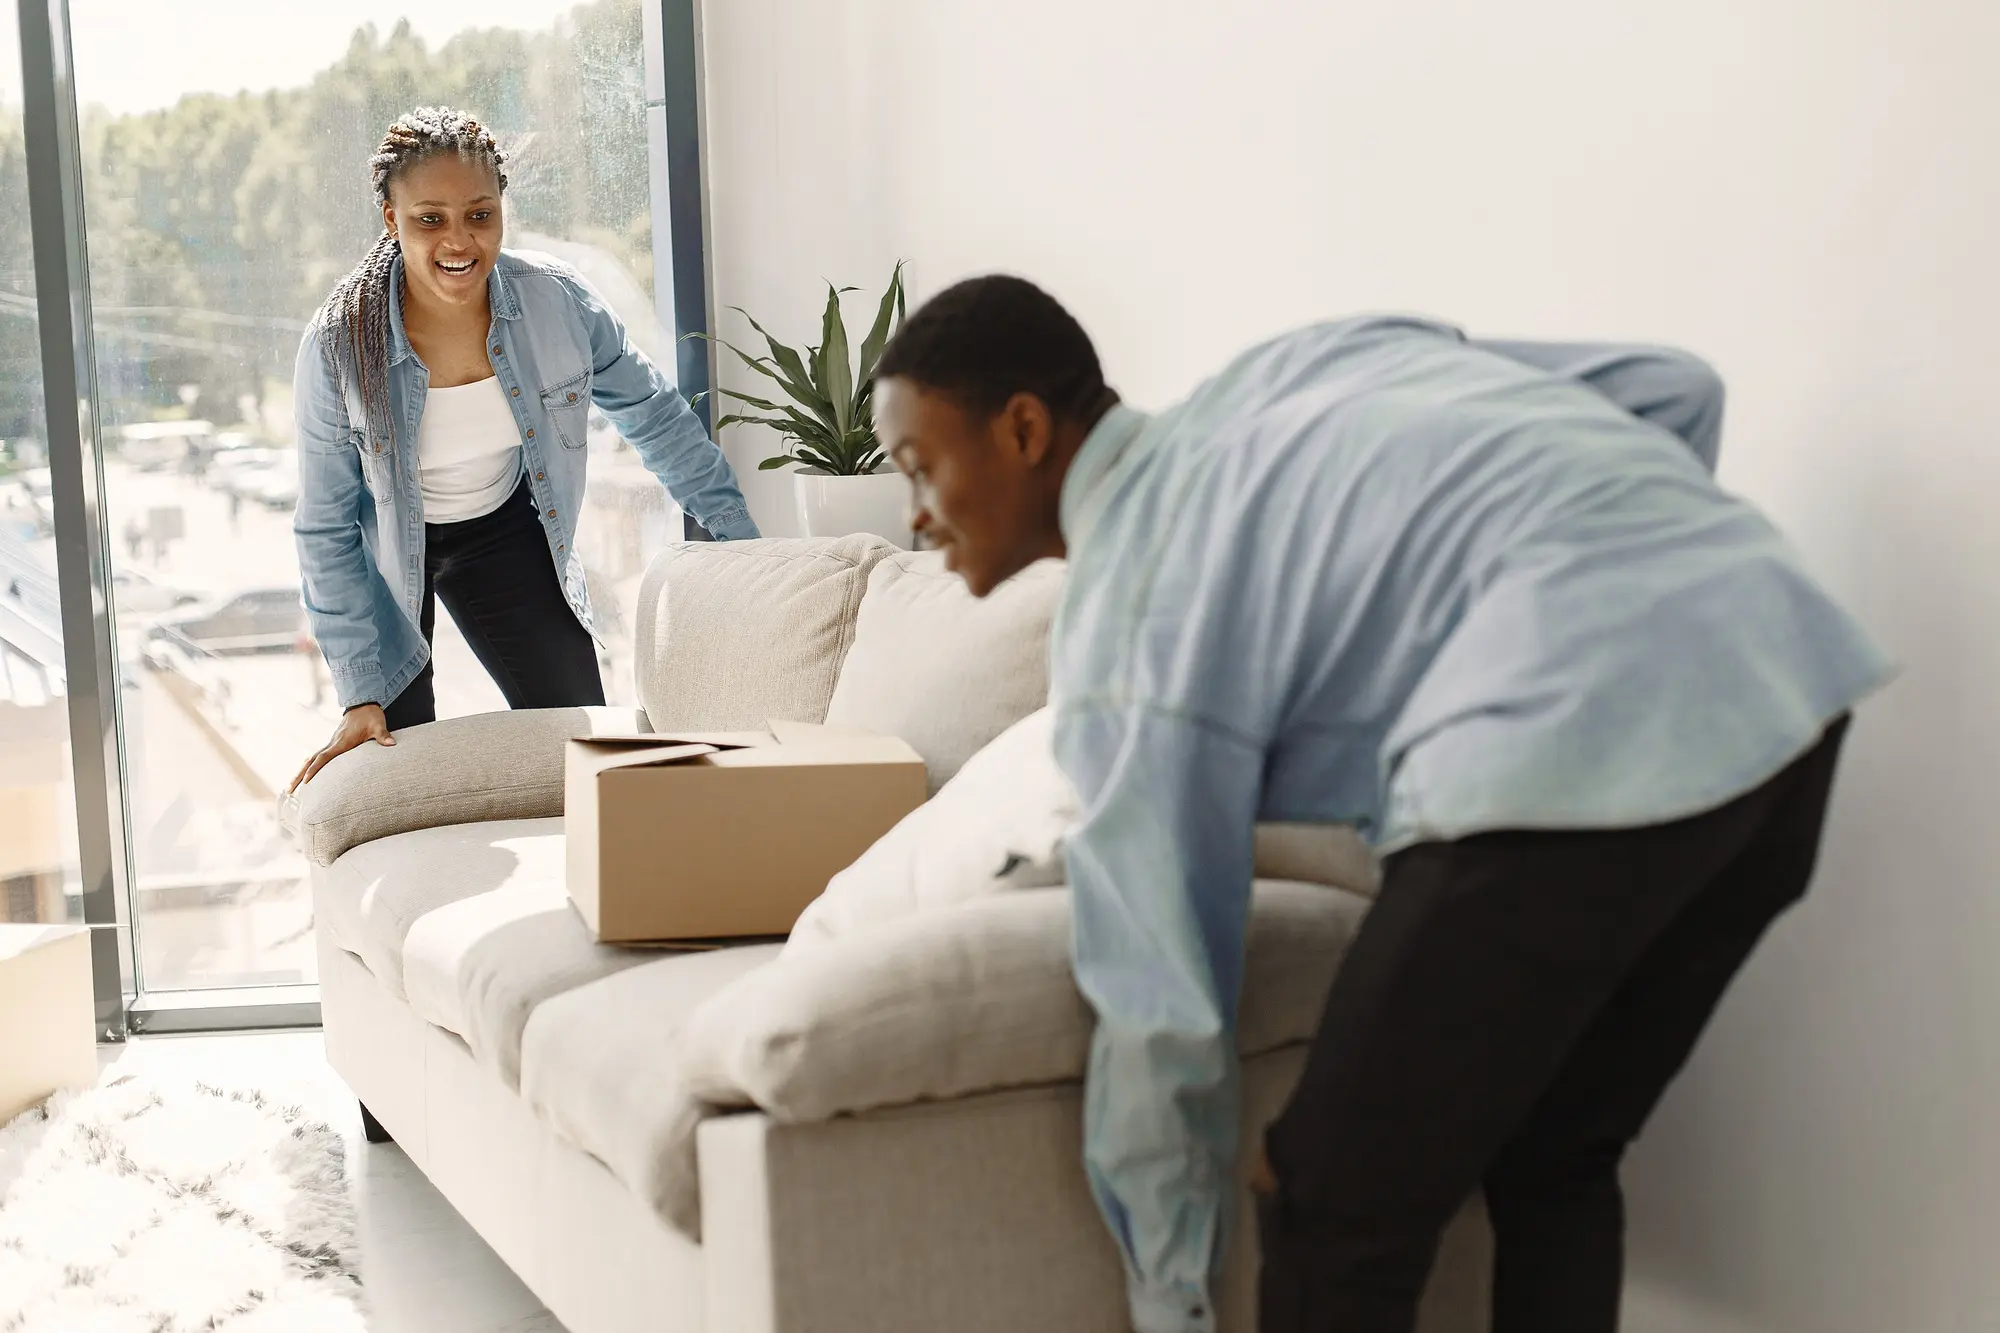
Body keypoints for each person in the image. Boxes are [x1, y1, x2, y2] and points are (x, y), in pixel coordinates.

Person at [870, 276, 1892, 1333]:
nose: (914, 514)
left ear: (1023, 429)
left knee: (1325, 1203)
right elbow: (1675, 389)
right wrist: (1636, 608)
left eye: (918, 466)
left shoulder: (1125, 627)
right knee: (1554, 1152)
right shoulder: (1308, 361)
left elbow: (1162, 1003)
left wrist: (1170, 1299)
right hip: (1788, 690)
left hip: (1551, 768)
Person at [287, 107, 757, 794]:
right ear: (391, 219)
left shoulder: (558, 305)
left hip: (501, 533)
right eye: (430, 219)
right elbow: (325, 526)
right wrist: (360, 690)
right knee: (401, 766)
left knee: (582, 745)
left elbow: (657, 419)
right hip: (387, 555)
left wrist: (743, 545)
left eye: (480, 215)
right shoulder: (337, 346)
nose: (459, 240)